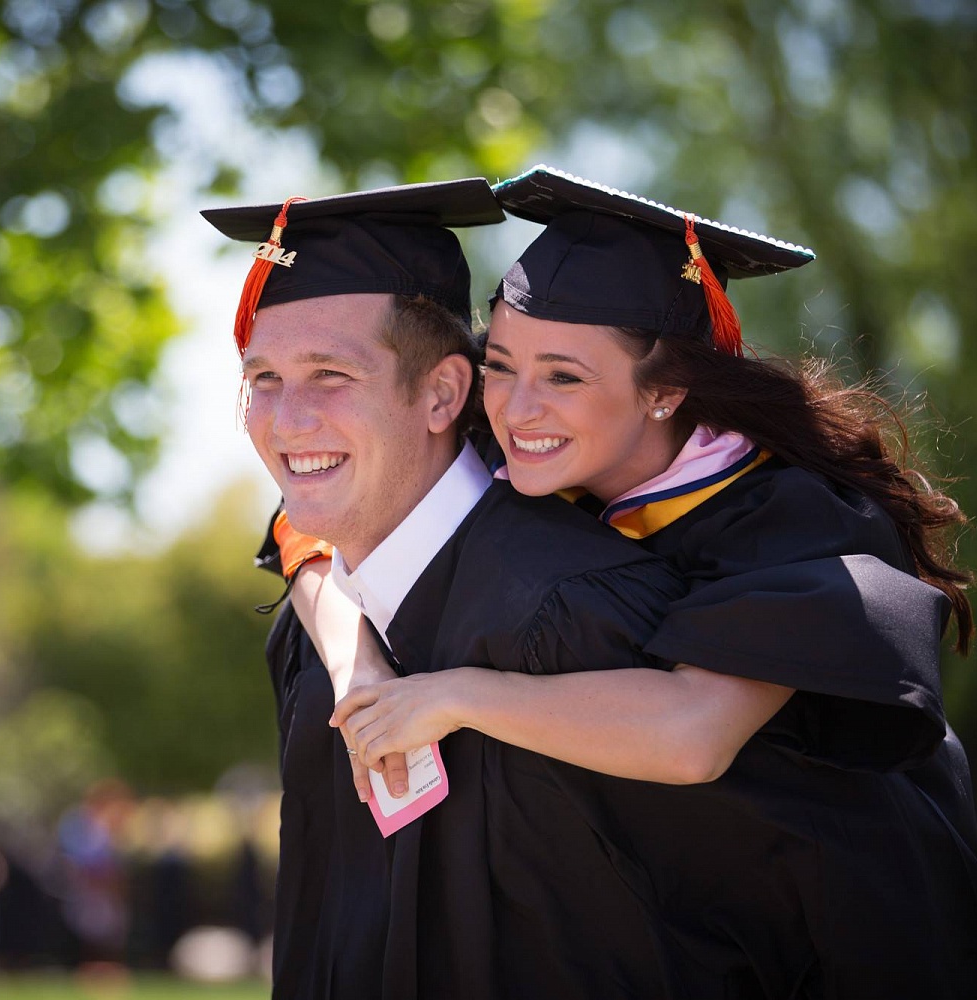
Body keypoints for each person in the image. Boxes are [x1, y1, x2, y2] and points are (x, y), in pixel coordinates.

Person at [303, 165, 977, 996]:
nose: (517, 409)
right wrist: (358, 666)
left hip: (856, 923)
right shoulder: (525, 452)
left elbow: (694, 734)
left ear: (664, 391)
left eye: (565, 376)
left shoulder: (791, 518)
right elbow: (305, 530)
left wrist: (453, 695)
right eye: (502, 363)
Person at [203, 179, 694, 999]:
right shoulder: (315, 629)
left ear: (442, 394)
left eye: (330, 374)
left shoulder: (576, 610)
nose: (286, 422)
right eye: (264, 378)